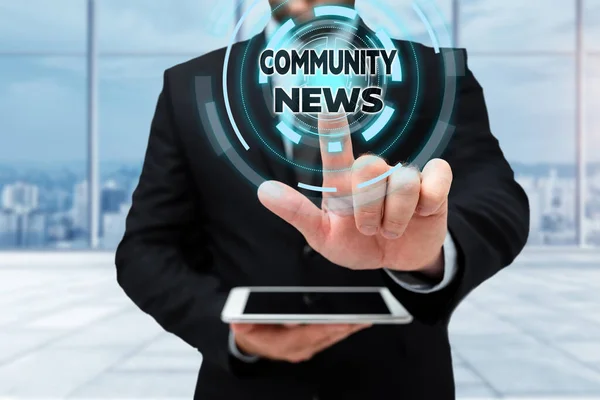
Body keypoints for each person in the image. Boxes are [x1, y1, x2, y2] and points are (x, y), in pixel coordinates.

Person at [115, 0, 530, 399]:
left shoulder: (438, 75)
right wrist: (233, 332)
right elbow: (146, 248)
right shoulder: (192, 87)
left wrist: (429, 256)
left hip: (399, 384)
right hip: (247, 389)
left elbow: (498, 201)